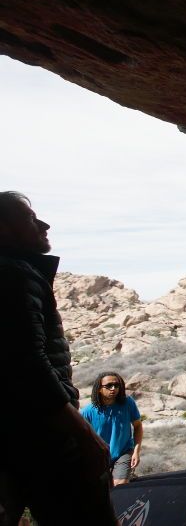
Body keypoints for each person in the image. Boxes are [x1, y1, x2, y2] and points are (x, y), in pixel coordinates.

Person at [0, 191, 117, 526]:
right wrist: (84, 436)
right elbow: (28, 365)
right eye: (29, 217)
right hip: (45, 438)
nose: (43, 224)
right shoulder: (15, 275)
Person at [81, 372, 143, 486]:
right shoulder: (87, 412)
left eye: (116, 385)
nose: (113, 388)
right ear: (99, 389)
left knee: (119, 485)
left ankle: (124, 475)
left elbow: (138, 426)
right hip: (99, 457)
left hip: (123, 452)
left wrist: (136, 451)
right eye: (108, 386)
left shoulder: (128, 403)